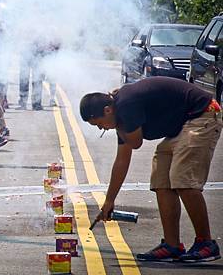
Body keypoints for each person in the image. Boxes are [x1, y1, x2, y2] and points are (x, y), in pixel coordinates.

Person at [80, 77, 222, 262]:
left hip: (202, 115)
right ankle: (172, 245)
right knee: (161, 181)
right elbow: (122, 161)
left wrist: (118, 127)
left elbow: (135, 143)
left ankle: (206, 243)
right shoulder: (120, 114)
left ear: (107, 110)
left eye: (99, 123)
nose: (102, 128)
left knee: (183, 180)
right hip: (181, 126)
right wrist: (109, 201)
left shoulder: (126, 106)